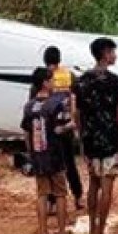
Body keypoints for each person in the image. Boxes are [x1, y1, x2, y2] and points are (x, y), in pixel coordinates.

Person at [75, 37, 118, 234]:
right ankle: (100, 231)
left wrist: (82, 135)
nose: (114, 56)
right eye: (113, 52)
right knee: (107, 185)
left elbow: (77, 113)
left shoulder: (81, 82)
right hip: (110, 139)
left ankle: (91, 231)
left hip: (90, 139)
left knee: (93, 184)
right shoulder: (114, 81)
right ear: (106, 53)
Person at [21, 68, 73, 234]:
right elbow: (62, 127)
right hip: (54, 154)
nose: (53, 84)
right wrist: (72, 124)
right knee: (60, 194)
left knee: (42, 194)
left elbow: (26, 134)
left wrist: (32, 154)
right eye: (51, 80)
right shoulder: (55, 104)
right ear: (45, 82)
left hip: (38, 155)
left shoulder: (29, 106)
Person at [43, 46, 83, 211]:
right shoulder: (69, 76)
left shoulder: (43, 78)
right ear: (59, 59)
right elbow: (77, 100)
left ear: (45, 60)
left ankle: (52, 202)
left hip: (50, 128)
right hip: (67, 125)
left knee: (52, 166)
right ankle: (78, 197)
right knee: (70, 164)